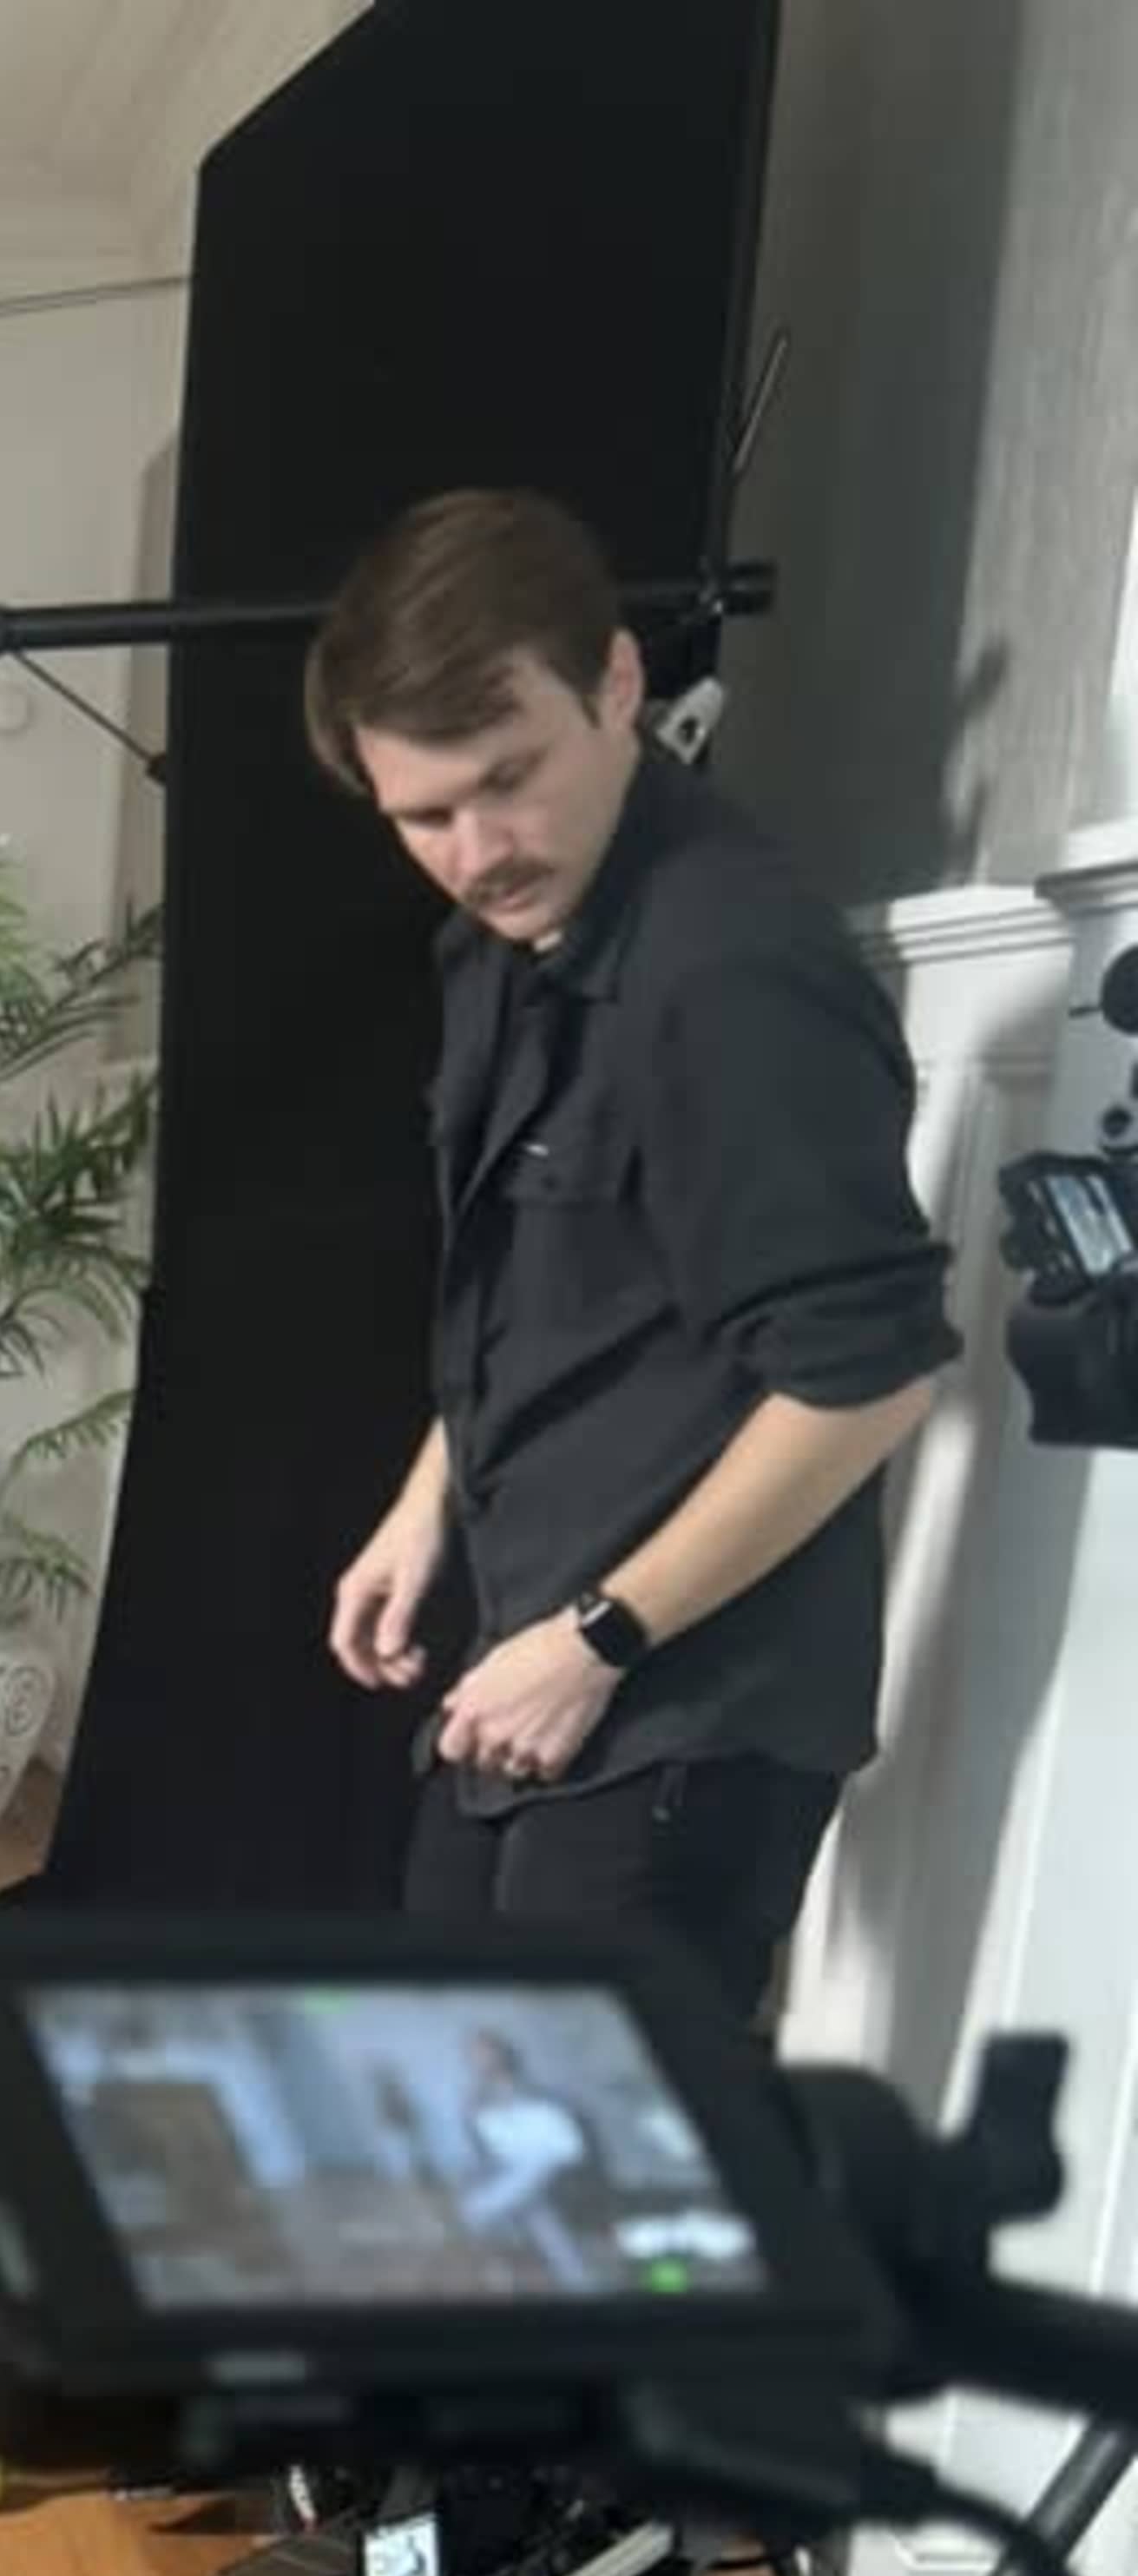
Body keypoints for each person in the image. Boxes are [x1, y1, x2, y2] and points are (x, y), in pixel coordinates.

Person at [308, 488, 958, 2026]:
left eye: (508, 781)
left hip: (680, 1707)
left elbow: (868, 1383)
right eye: (424, 815)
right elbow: (543, 1297)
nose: (477, 849)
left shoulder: (730, 968)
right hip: (540, 1644)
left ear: (615, 685)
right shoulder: (502, 946)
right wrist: (428, 1505)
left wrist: (602, 1639)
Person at [452, 2026, 597, 2288]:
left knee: (487, 2208)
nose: (482, 2060)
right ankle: (576, 2279)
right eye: (475, 2055)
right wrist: (480, 2169)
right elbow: (484, 2149)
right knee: (539, 2213)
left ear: (504, 2053)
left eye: (487, 2052)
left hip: (551, 2167)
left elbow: (567, 2142)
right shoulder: (476, 2100)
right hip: (515, 2172)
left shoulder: (541, 2092)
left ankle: (569, 2278)